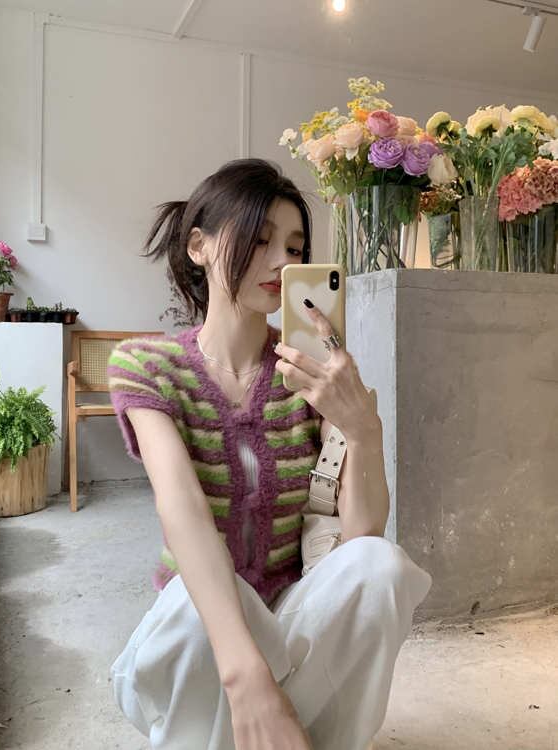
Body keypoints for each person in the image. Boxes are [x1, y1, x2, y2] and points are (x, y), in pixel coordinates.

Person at [106, 157, 432, 750]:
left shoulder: (309, 374)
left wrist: (363, 430)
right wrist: (246, 677)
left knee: (380, 566)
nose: (282, 260)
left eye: (294, 246)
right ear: (199, 247)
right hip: (197, 639)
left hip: (290, 624)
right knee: (194, 603)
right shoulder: (148, 366)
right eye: (259, 240)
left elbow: (359, 541)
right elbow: (182, 514)